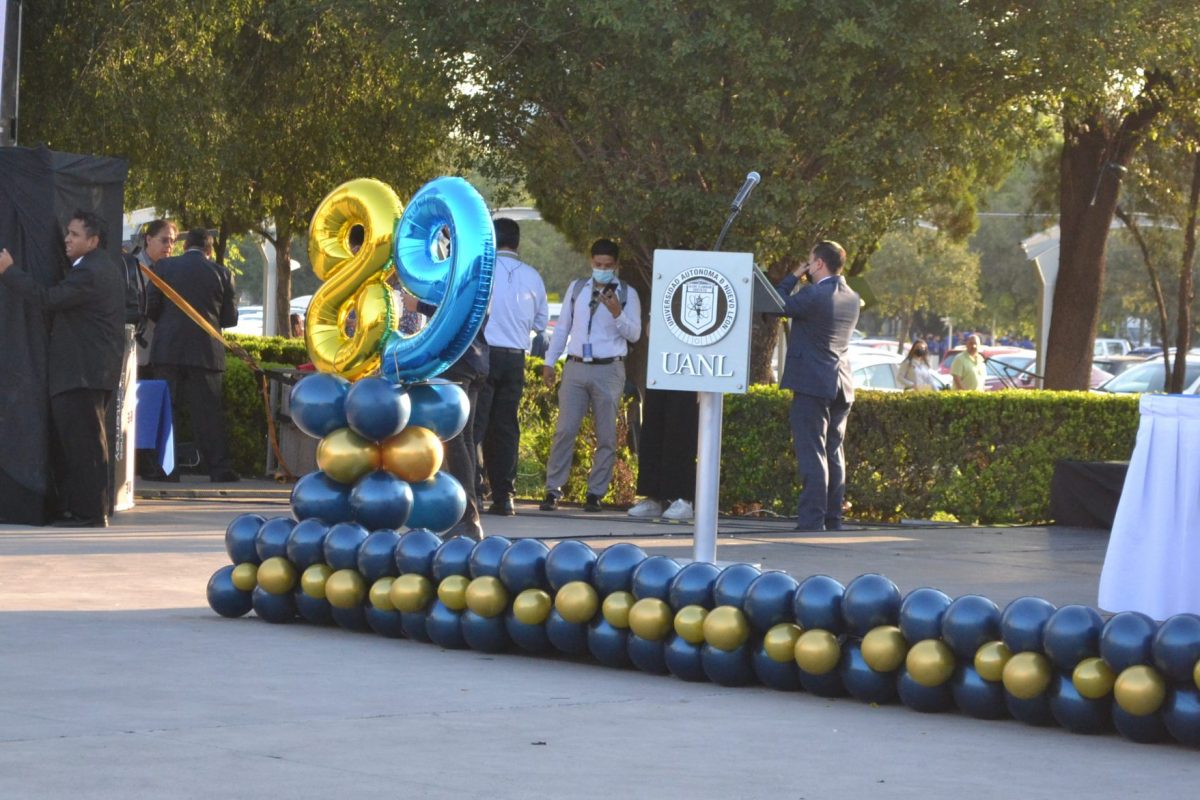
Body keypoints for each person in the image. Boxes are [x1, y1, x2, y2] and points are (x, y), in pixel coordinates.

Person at [0, 210, 125, 527]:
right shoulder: (97, 268)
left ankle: (90, 513)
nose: (67, 239)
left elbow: (48, 298)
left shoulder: (90, 272)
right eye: (67, 233)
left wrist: (9, 271)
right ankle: (84, 508)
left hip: (81, 374)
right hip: (88, 372)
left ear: (93, 240)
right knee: (83, 443)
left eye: (74, 234)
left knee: (85, 446)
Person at [539, 239, 641, 513]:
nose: (602, 269)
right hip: (575, 366)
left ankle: (595, 493)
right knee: (565, 430)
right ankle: (552, 490)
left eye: (608, 266)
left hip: (609, 368)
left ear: (616, 265)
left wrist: (617, 312)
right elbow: (562, 328)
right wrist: (550, 362)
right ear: (591, 261)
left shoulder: (627, 293)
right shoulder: (577, 288)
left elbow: (635, 334)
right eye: (598, 264)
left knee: (606, 434)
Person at [776, 240, 860, 532]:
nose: (808, 267)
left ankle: (811, 520)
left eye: (811, 262)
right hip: (841, 383)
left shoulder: (814, 295)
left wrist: (793, 276)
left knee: (813, 452)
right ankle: (832, 519)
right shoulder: (852, 297)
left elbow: (776, 303)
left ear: (819, 263)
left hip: (812, 383)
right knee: (834, 453)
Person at [146, 227, 240, 482]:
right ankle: (219, 469)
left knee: (167, 411)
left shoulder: (164, 267)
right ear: (209, 250)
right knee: (209, 414)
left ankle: (165, 470)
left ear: (185, 246)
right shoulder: (223, 273)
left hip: (168, 350)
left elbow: (151, 307)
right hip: (206, 353)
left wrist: (168, 323)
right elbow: (230, 319)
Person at [474, 218, 548, 516]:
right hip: (515, 357)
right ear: (517, 243)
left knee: (477, 424)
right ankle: (504, 496)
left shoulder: (483, 270)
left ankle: (475, 492)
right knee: (506, 427)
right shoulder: (533, 276)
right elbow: (541, 323)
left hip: (484, 352)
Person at [626, 389, 697, 520]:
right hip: (659, 379)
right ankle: (652, 497)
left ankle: (683, 499)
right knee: (652, 426)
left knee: (680, 425)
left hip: (687, 380)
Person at [125, 219, 177, 368]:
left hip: (165, 353)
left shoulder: (173, 270)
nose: (169, 246)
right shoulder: (131, 266)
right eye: (164, 240)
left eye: (172, 241)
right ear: (148, 239)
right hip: (137, 351)